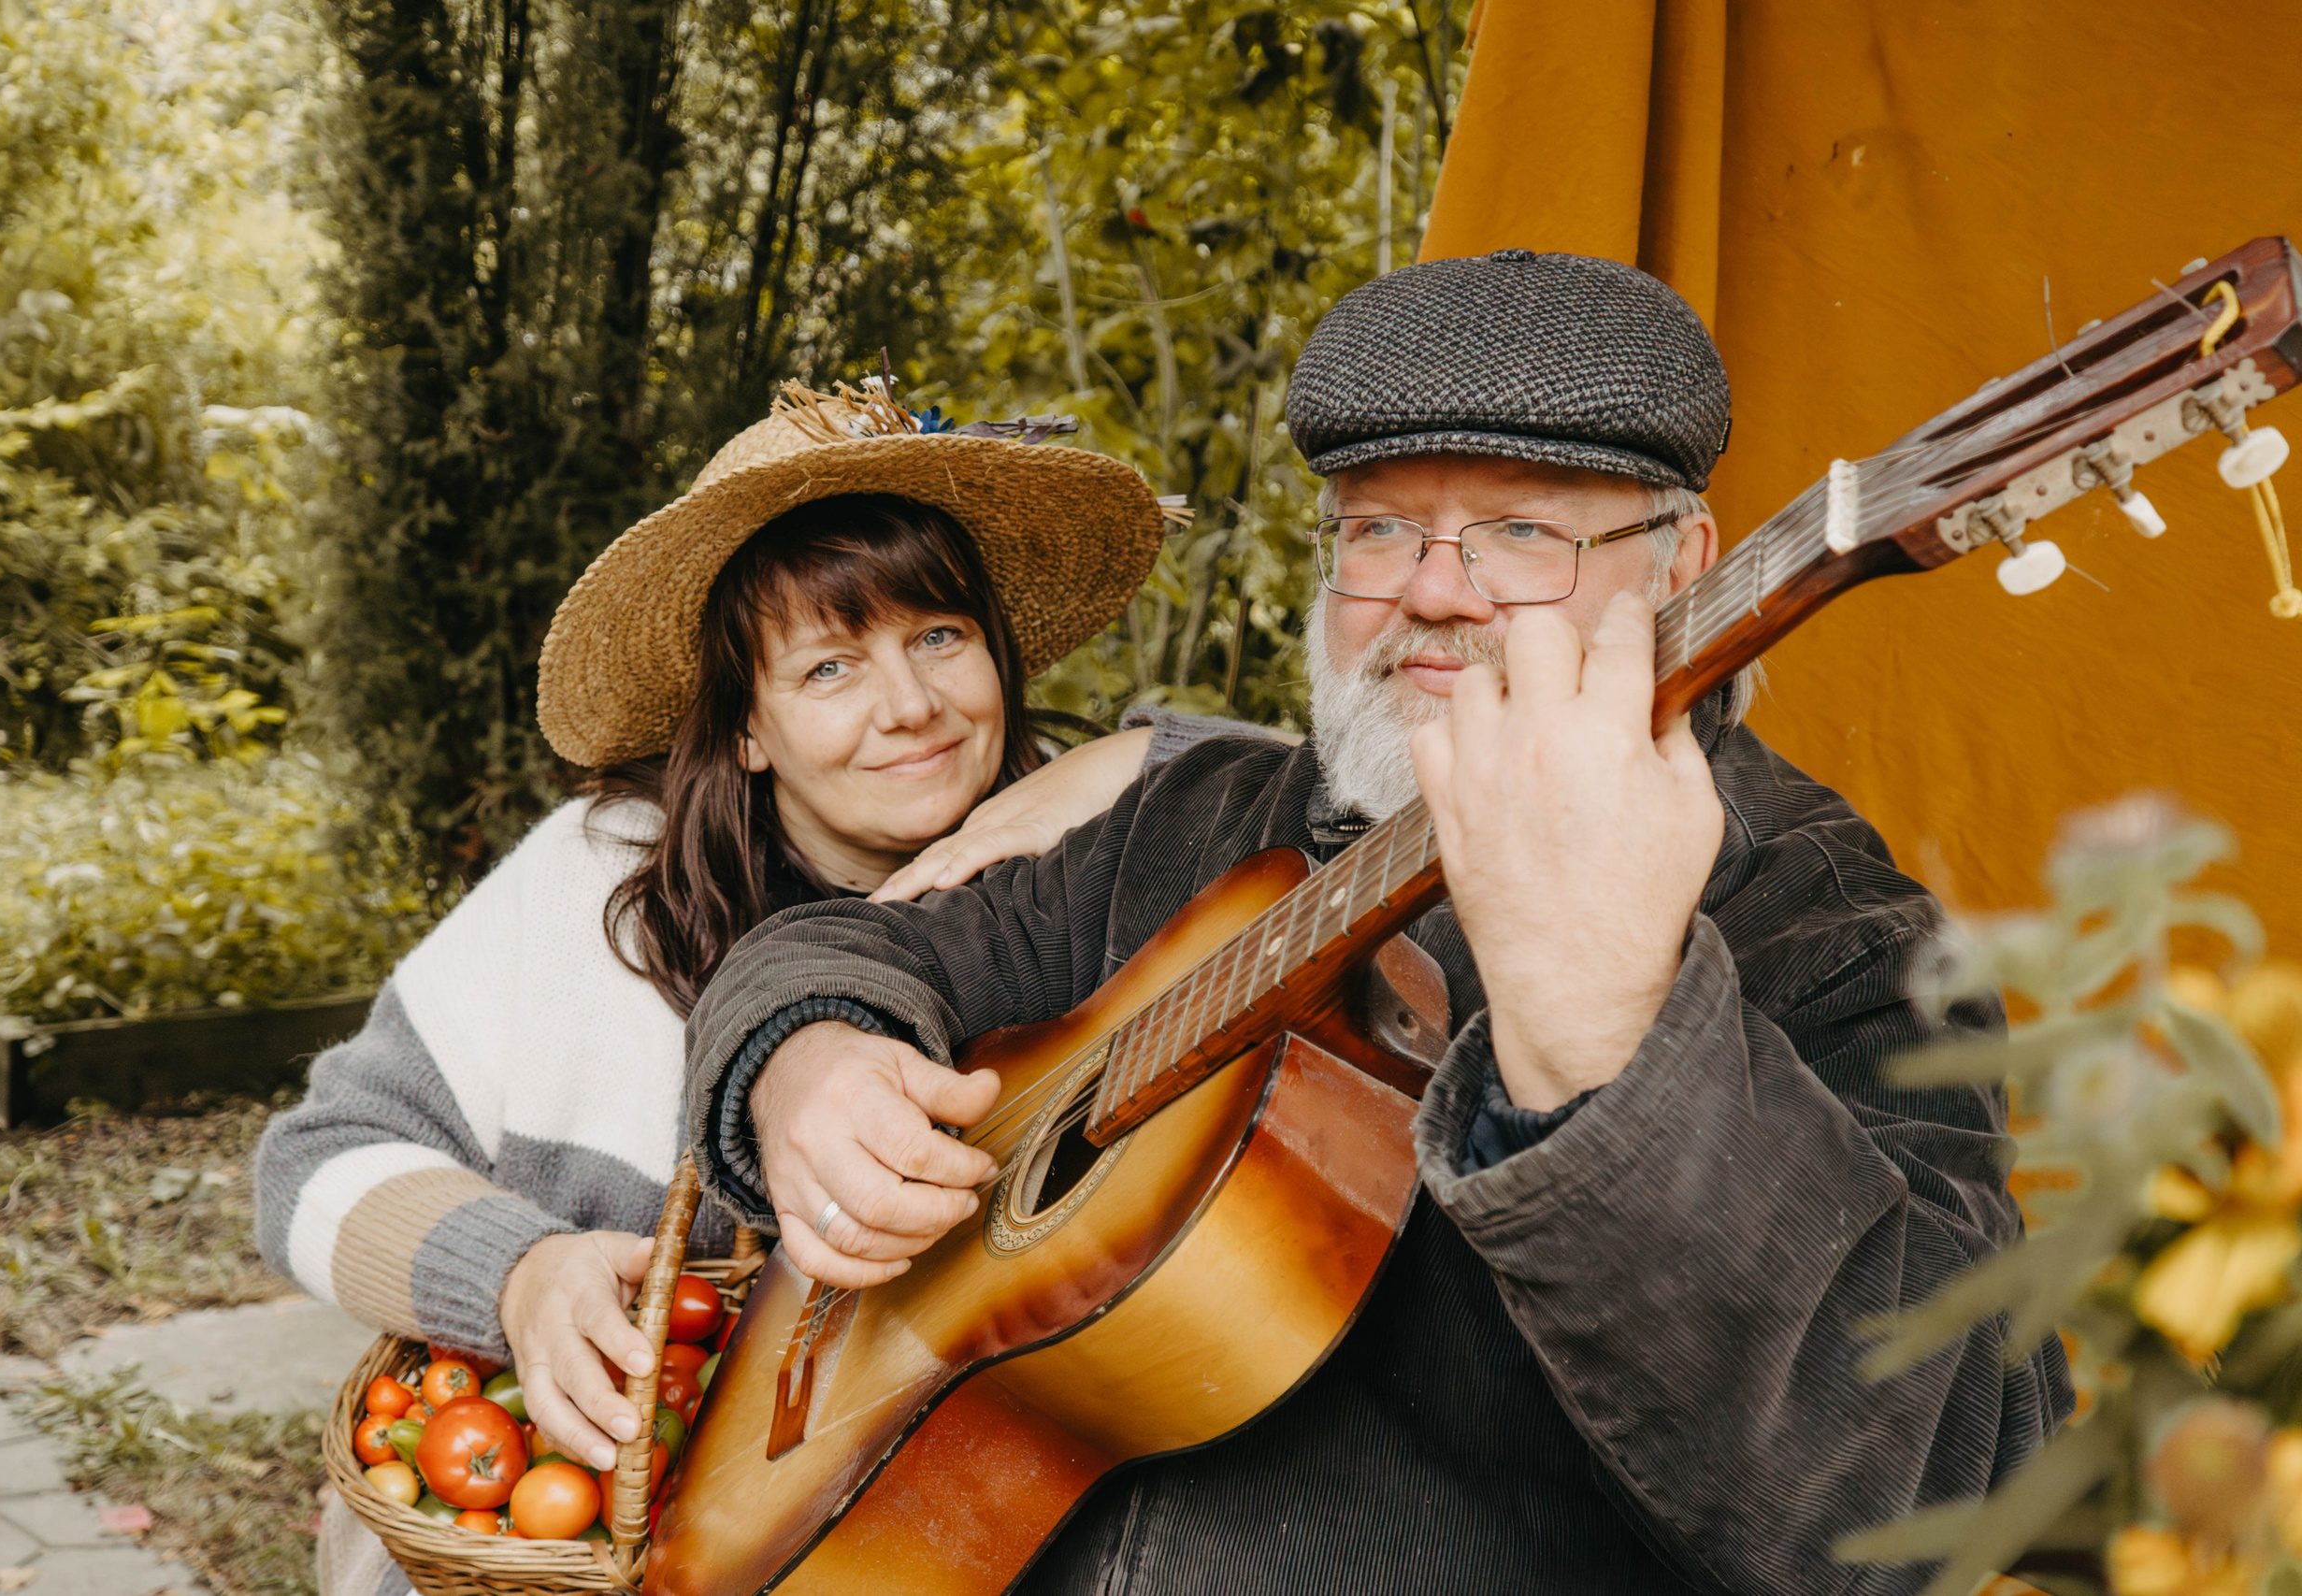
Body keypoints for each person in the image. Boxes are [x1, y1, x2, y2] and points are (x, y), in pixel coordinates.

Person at [684, 254, 2075, 1593]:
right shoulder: (1202, 812)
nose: (1432, 588)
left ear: (1682, 563)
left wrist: (1615, 1041)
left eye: (1522, 531)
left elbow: (1943, 1479)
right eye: (1379, 529)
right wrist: (808, 1060)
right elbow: (852, 948)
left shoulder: (1825, 924)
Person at [253, 381, 1261, 1596]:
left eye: (940, 637)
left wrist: (1134, 755)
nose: (912, 706)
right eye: (830, 667)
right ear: (744, 729)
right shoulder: (598, 884)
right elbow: (314, 1161)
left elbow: (1355, 803)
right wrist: (516, 1273)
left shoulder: (1084, 868)